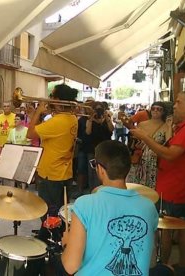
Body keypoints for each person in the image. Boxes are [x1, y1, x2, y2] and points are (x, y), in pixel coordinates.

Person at [61, 140, 158, 275]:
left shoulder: (85, 204)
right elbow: (151, 261)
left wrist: (67, 244)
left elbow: (71, 266)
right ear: (128, 168)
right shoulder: (148, 207)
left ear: (100, 169)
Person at [130, 92, 185, 275]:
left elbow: (170, 154)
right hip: (177, 186)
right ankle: (182, 266)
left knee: (165, 230)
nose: (175, 106)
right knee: (182, 227)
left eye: (179, 102)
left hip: (173, 188)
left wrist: (146, 138)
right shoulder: (181, 127)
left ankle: (163, 267)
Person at [27, 84, 78, 242]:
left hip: (52, 173)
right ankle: (48, 234)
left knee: (49, 210)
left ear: (58, 100)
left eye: (52, 97)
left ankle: (51, 240)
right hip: (63, 171)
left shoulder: (59, 121)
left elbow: (30, 134)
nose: (49, 99)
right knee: (58, 209)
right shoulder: (71, 118)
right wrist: (36, 115)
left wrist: (37, 112)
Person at [126, 102, 172, 189]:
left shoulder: (166, 126)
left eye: (159, 109)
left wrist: (169, 126)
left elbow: (168, 143)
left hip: (155, 161)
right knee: (137, 187)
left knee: (151, 188)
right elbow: (134, 143)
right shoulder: (142, 124)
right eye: (153, 108)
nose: (155, 111)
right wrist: (136, 145)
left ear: (163, 112)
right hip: (140, 159)